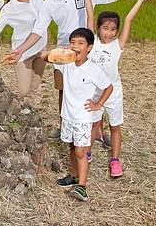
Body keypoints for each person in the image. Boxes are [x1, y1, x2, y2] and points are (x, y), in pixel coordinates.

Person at [8, 0, 120, 137]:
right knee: (63, 89)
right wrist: (20, 49)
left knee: (94, 89)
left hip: (87, 49)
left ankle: (98, 130)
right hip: (64, 52)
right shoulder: (48, 3)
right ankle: (64, 127)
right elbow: (38, 30)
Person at [42, 28, 113, 202]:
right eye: (73, 42)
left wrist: (98, 104)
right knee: (73, 147)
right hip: (68, 115)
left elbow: (108, 87)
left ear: (89, 47)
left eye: (80, 43)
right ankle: (74, 176)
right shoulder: (66, 62)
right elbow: (44, 56)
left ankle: (82, 187)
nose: (75, 46)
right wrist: (60, 51)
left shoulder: (92, 69)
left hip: (83, 117)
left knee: (81, 151)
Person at [87, 0, 153, 177]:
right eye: (105, 28)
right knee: (93, 125)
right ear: (98, 29)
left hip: (113, 92)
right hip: (95, 92)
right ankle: (88, 151)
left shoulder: (118, 44)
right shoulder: (92, 42)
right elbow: (90, 15)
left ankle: (115, 160)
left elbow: (130, 18)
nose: (109, 32)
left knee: (115, 127)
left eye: (113, 29)